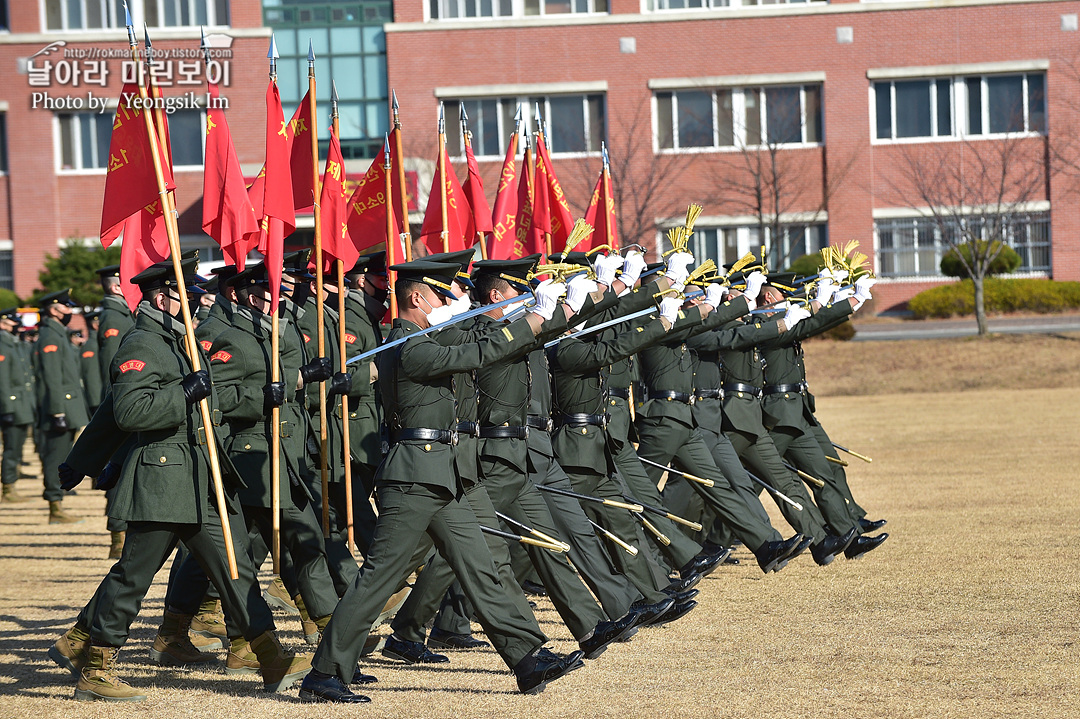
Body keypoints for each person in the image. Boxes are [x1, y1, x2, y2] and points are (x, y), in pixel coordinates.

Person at [298, 261, 585, 703]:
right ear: (416, 299)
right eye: (441, 297)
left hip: (447, 473)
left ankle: (527, 658)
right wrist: (534, 317)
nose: (449, 305)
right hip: (415, 476)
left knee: (482, 567)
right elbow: (479, 353)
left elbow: (483, 340)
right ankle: (326, 672)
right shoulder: (408, 345)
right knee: (376, 580)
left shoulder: (428, 337)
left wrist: (548, 313)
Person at [48, 258, 312, 702]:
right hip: (162, 479)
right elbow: (128, 410)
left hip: (199, 477)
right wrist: (182, 393)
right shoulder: (143, 343)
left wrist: (84, 459)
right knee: (133, 576)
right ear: (160, 297)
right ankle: (95, 666)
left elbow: (129, 408)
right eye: (186, 296)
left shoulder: (176, 338)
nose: (195, 303)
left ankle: (270, 656)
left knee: (236, 568)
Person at [34, 289, 87, 524]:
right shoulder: (50, 336)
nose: (69, 311)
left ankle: (57, 503)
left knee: (62, 453)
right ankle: (54, 506)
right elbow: (53, 377)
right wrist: (57, 410)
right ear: (54, 310)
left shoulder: (58, 333)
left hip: (67, 404)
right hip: (60, 406)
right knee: (55, 455)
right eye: (66, 307)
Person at [0, 308, 34, 504]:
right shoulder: (3, 345)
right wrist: (7, 408)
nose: (16, 327)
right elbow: (3, 380)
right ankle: (8, 487)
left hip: (22, 403)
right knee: (11, 447)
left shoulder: (13, 344)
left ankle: (12, 481)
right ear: (3, 324)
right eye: (13, 324)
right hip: (12, 404)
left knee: (18, 444)